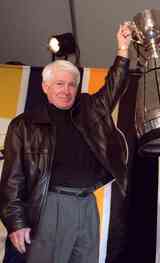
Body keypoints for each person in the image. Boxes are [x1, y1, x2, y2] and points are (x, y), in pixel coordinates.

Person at [0, 23, 132, 263]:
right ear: (45, 87)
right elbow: (12, 179)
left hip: (87, 205)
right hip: (49, 205)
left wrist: (123, 50)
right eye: (59, 84)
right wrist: (15, 222)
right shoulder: (24, 124)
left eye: (71, 84)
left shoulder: (90, 110)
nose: (66, 90)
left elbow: (115, 86)